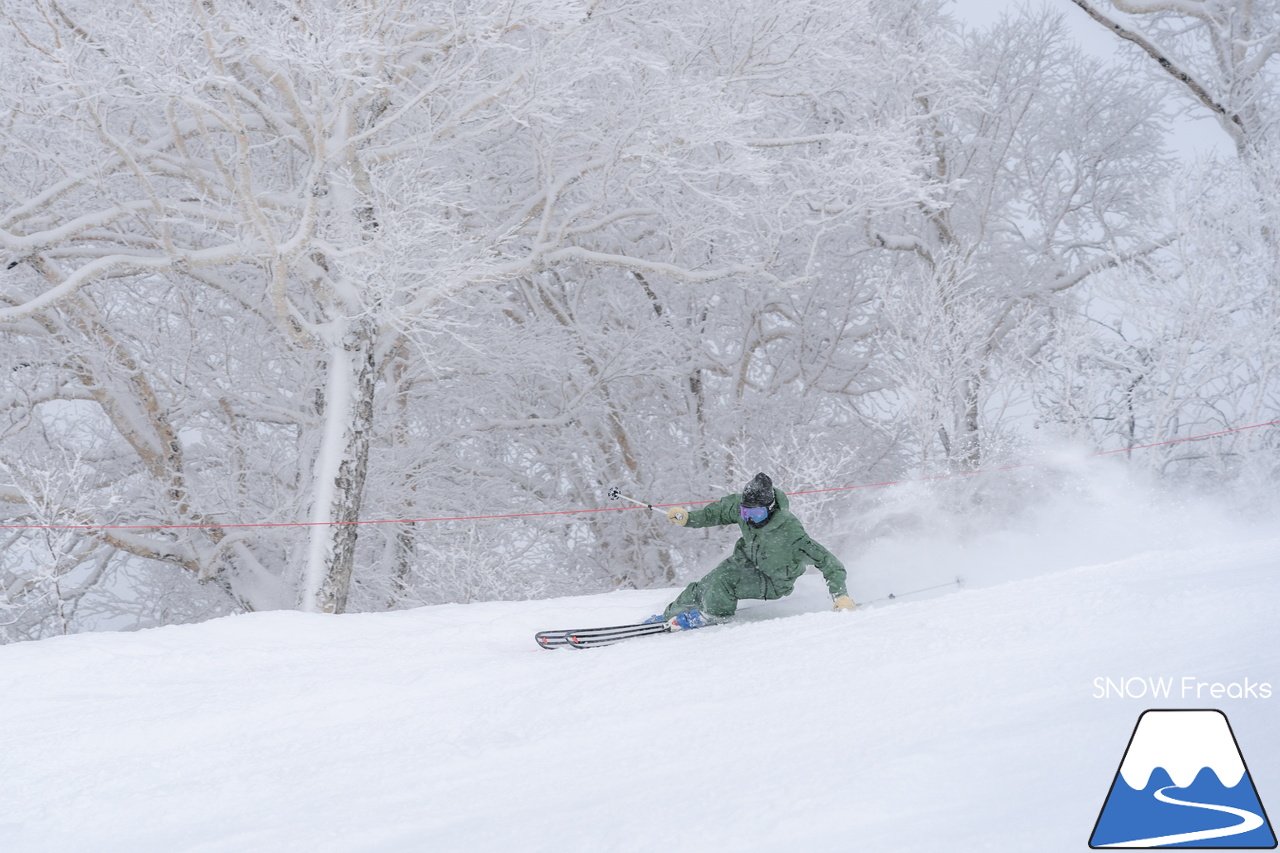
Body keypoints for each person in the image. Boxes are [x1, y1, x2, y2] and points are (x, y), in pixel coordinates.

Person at [648, 472, 857, 630]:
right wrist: (689, 518)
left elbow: (830, 563)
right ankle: (671, 614)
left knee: (725, 581)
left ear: (770, 508)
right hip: (747, 560)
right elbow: (718, 512)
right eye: (745, 512)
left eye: (755, 514)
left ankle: (714, 615)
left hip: (774, 581)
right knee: (706, 583)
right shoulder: (744, 508)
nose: (749, 519)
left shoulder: (791, 533)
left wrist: (840, 595)